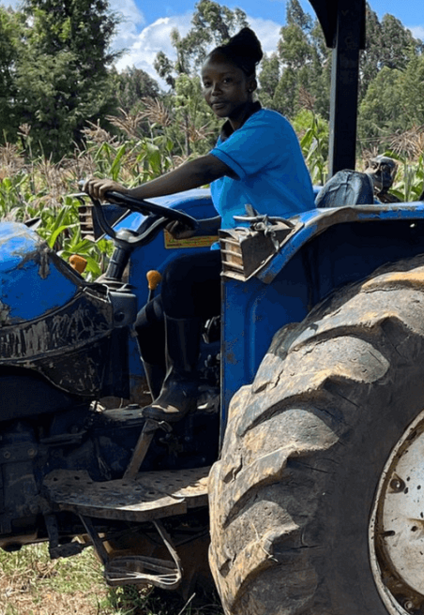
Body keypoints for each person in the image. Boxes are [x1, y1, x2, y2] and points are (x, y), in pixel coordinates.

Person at [85, 28, 314, 422]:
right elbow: (238, 209)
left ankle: (184, 386)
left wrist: (132, 193)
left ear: (250, 84)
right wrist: (200, 226)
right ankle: (168, 413)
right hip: (244, 248)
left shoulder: (267, 128)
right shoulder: (232, 135)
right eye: (208, 83)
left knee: (180, 275)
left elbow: (204, 169)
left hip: (277, 254)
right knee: (147, 320)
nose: (215, 91)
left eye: (227, 81)